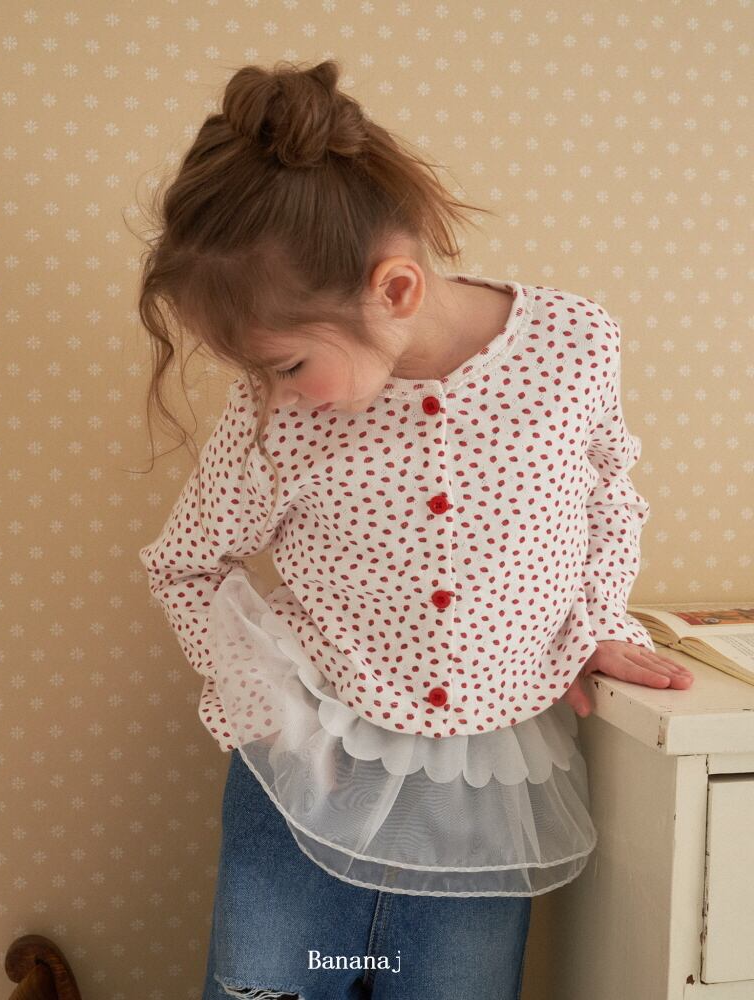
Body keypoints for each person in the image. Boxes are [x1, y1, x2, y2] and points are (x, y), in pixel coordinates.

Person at [135, 58, 694, 1000]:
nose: (272, 394)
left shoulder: (573, 345)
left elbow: (608, 496)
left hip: (482, 794)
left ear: (393, 290)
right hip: (308, 779)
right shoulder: (279, 419)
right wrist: (268, 705)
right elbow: (185, 565)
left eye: (287, 364)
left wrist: (598, 622)